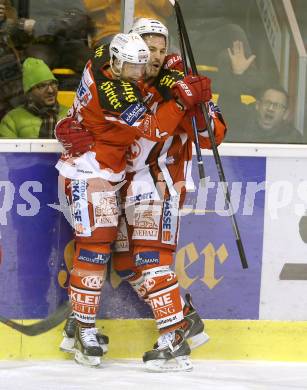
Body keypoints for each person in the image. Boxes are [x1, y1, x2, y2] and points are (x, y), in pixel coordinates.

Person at [56, 19, 226, 371]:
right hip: (121, 182)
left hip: (159, 183)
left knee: (149, 258)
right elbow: (123, 112)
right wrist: (71, 122)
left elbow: (213, 135)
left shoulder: (175, 82)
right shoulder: (123, 77)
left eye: (162, 50)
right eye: (148, 49)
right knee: (120, 258)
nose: (155, 57)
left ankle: (174, 331)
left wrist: (198, 102)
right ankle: (173, 316)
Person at [218, 41, 303, 143]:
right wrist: (237, 74)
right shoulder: (243, 121)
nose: (271, 109)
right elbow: (227, 107)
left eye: (277, 105)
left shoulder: (293, 139)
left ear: (285, 114)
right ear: (257, 105)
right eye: (267, 103)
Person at [0, 57, 68, 138]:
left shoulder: (71, 116)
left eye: (53, 83)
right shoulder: (11, 120)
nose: (50, 90)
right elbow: (7, 150)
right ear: (29, 93)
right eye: (42, 86)